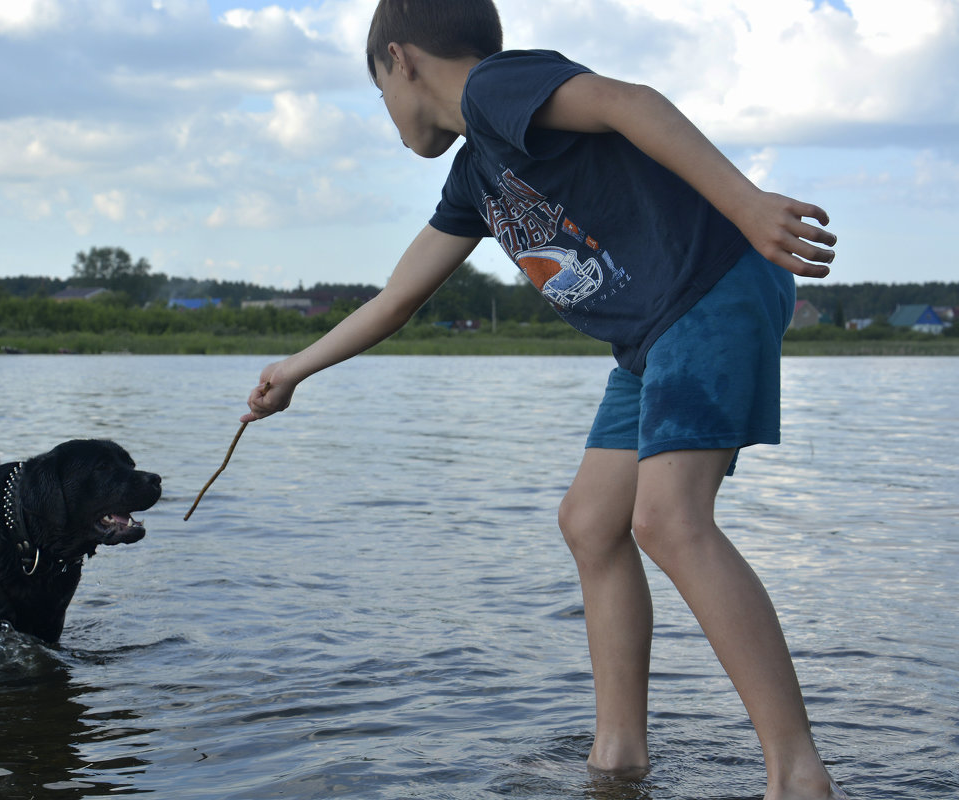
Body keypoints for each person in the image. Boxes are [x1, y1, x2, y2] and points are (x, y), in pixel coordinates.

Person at [242, 1, 845, 798]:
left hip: (714, 285)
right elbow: (397, 298)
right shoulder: (475, 176)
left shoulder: (499, 88)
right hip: (652, 340)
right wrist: (296, 368)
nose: (386, 114)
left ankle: (798, 776)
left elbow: (628, 103)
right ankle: (618, 756)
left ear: (401, 61)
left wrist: (745, 201)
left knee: (668, 519)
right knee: (591, 521)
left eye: (376, 90)